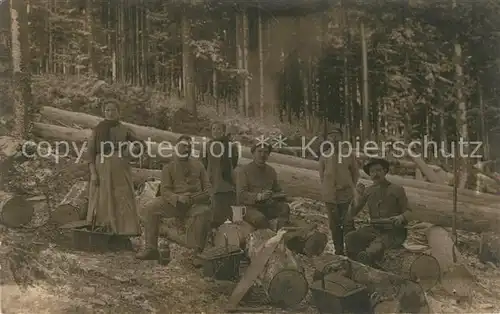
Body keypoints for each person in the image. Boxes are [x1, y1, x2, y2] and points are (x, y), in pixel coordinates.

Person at [136, 135, 212, 263]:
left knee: (204, 212)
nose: (186, 149)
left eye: (189, 147)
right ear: (177, 147)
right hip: (175, 203)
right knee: (150, 208)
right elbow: (165, 190)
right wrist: (177, 198)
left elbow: (208, 189)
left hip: (195, 204)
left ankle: (198, 254)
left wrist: (194, 198)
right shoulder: (169, 167)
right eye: (183, 146)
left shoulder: (199, 166)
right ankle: (151, 248)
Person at [86, 99, 141, 237]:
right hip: (102, 167)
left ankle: (124, 231)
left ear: (119, 112)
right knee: (102, 198)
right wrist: (93, 173)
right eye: (107, 110)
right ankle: (103, 231)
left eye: (113, 110)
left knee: (122, 197)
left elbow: (140, 145)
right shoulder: (97, 130)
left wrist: (130, 153)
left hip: (120, 169)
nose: (110, 113)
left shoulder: (124, 129)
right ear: (104, 112)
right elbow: (91, 153)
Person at [343, 158, 411, 266]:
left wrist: (401, 218)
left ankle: (368, 265)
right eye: (372, 172)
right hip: (374, 228)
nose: (375, 174)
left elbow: (409, 212)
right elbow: (352, 212)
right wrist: (356, 196)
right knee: (351, 238)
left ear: (385, 171)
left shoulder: (397, 189)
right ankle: (354, 268)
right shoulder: (369, 191)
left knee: (375, 247)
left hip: (393, 232)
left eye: (378, 170)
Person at [318, 125, 359, 255]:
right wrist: (328, 188)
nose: (334, 139)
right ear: (328, 139)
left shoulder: (348, 154)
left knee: (348, 223)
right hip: (330, 197)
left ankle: (352, 250)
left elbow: (355, 173)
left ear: (341, 138)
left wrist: (348, 186)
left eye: (337, 136)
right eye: (331, 136)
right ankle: (339, 250)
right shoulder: (324, 156)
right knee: (334, 225)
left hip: (346, 196)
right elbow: (322, 175)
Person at [236, 141, 290, 230]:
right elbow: (241, 195)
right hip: (249, 208)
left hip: (267, 206)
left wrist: (281, 194)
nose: (262, 155)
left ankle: (280, 235)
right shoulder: (244, 171)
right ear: (253, 153)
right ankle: (265, 237)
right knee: (260, 219)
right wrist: (259, 196)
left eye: (265, 152)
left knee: (284, 208)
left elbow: (277, 190)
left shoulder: (271, 171)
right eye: (259, 151)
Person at [202, 122, 239, 228]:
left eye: (218, 129)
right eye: (213, 129)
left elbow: (234, 162)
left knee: (227, 205)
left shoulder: (231, 146)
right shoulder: (208, 145)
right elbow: (204, 162)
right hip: (212, 179)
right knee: (214, 207)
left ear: (223, 131)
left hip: (226, 180)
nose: (216, 131)